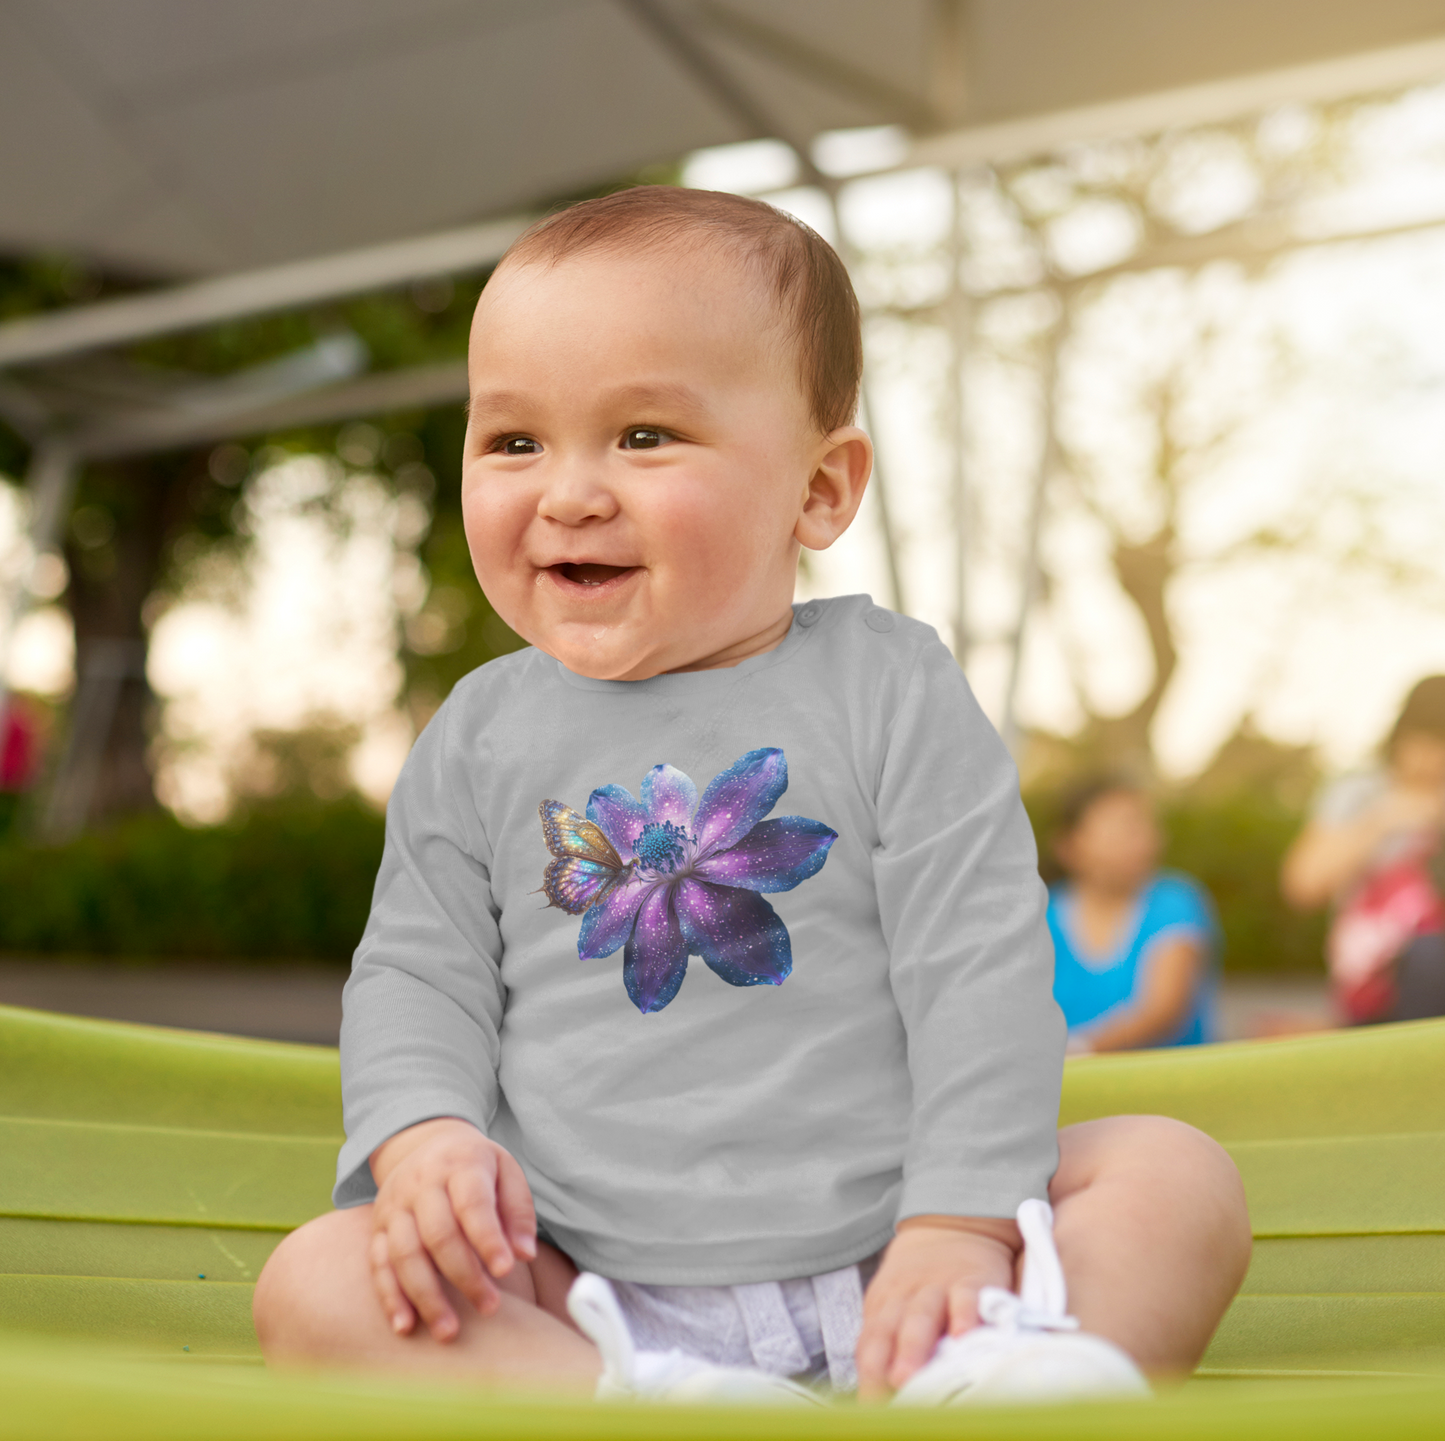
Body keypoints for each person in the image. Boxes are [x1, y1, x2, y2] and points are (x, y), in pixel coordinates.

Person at [252, 187, 1250, 1405]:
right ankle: (641, 1404)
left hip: (905, 1251)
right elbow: (417, 974)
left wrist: (960, 1217)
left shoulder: (889, 688)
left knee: (1173, 1178)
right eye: (514, 442)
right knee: (316, 1280)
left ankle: (1008, 1373)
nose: (568, 491)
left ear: (819, 491)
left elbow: (976, 967)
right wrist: (424, 1141)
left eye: (643, 436)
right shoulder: (476, 736)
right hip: (586, 1288)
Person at [1282, 676, 1445, 1024]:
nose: (1435, 759)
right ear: (1402, 736)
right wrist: (1384, 819)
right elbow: (1303, 885)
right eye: (1429, 742)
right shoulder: (1360, 793)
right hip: (1376, 987)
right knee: (1431, 957)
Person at [1045, 778, 1218, 1052]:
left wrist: (1075, 1050)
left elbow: (1162, 1011)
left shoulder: (1176, 901)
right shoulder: (1040, 916)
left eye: (1145, 827)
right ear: (1069, 845)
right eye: (1124, 828)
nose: (1145, 841)